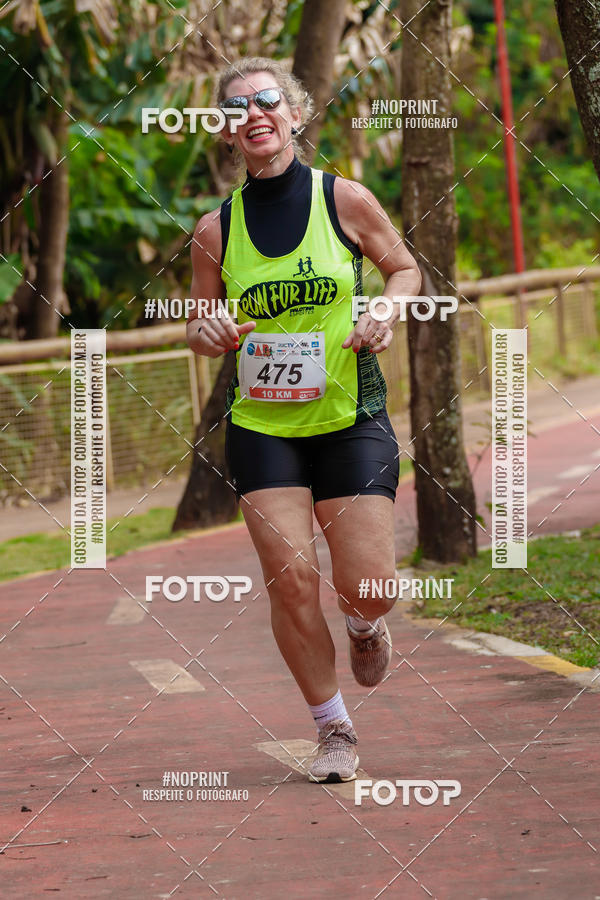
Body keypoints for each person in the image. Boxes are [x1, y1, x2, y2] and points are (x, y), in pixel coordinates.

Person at [186, 57, 421, 783]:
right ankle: (333, 730)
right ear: (227, 131)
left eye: (266, 101)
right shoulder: (214, 229)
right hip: (263, 428)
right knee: (290, 579)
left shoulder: (343, 198)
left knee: (369, 584)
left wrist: (384, 310)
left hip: (351, 416)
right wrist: (210, 327)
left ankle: (363, 624)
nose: (254, 114)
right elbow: (198, 321)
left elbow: (405, 270)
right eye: (237, 108)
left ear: (293, 114)